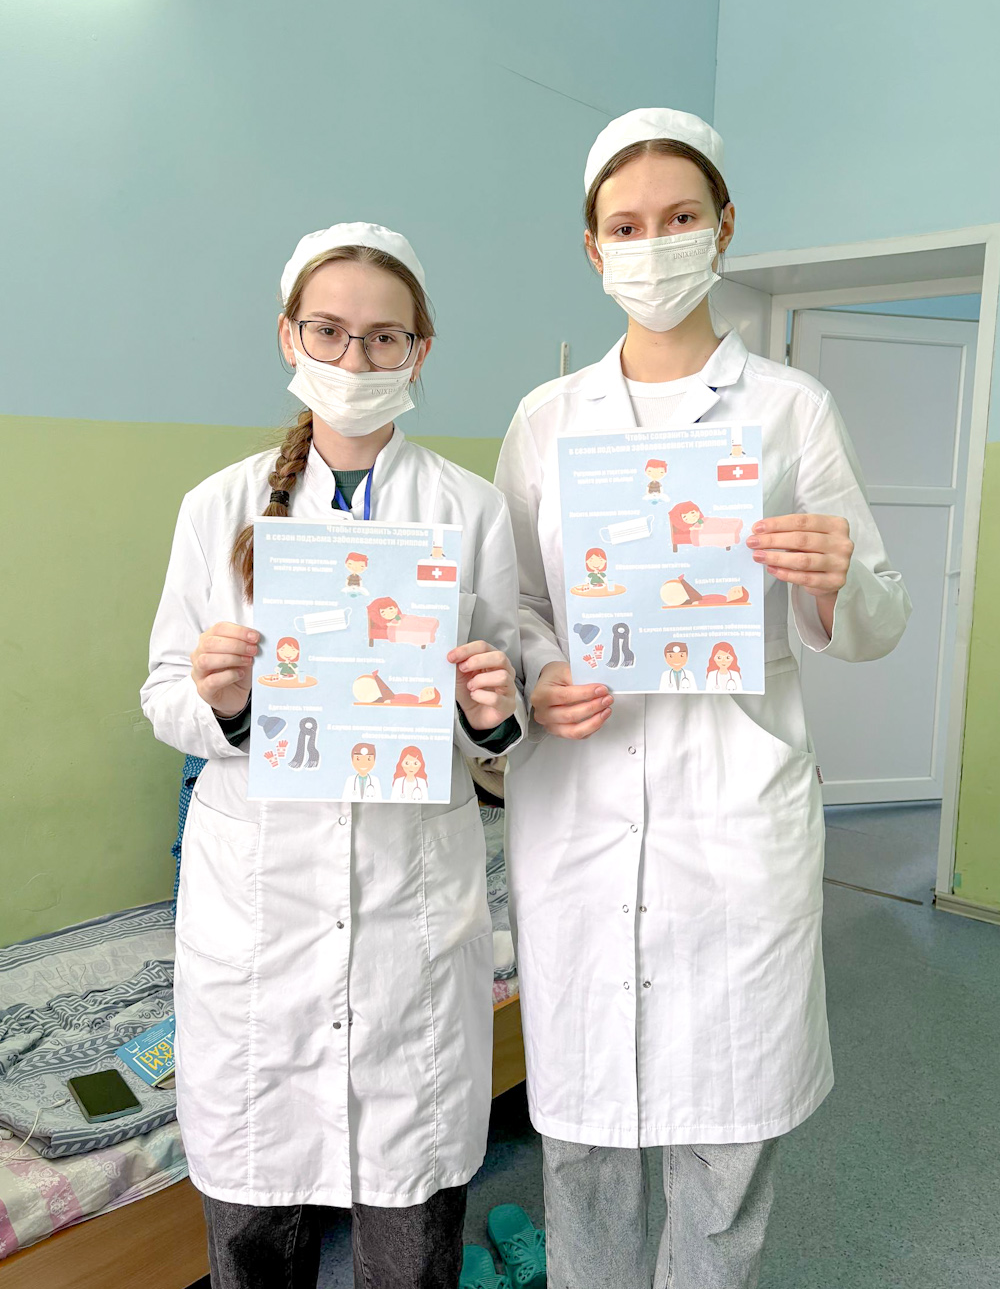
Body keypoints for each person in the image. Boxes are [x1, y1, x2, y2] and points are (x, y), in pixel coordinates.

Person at [495, 108, 911, 1289]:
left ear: (723, 227)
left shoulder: (788, 408)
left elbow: (878, 615)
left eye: (679, 217)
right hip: (580, 808)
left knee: (727, 1148)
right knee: (582, 1147)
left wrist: (831, 577)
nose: (654, 244)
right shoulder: (545, 419)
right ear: (593, 249)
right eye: (626, 226)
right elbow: (508, 602)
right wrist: (540, 671)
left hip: (734, 814)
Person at [141, 222, 524, 1289]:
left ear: (419, 351)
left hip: (409, 911)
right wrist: (220, 701)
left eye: (384, 337)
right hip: (259, 916)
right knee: (253, 1231)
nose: (355, 359)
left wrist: (491, 709)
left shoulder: (470, 510)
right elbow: (163, 693)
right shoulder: (217, 507)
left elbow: (503, 717)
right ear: (289, 337)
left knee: (412, 1232)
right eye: (329, 331)